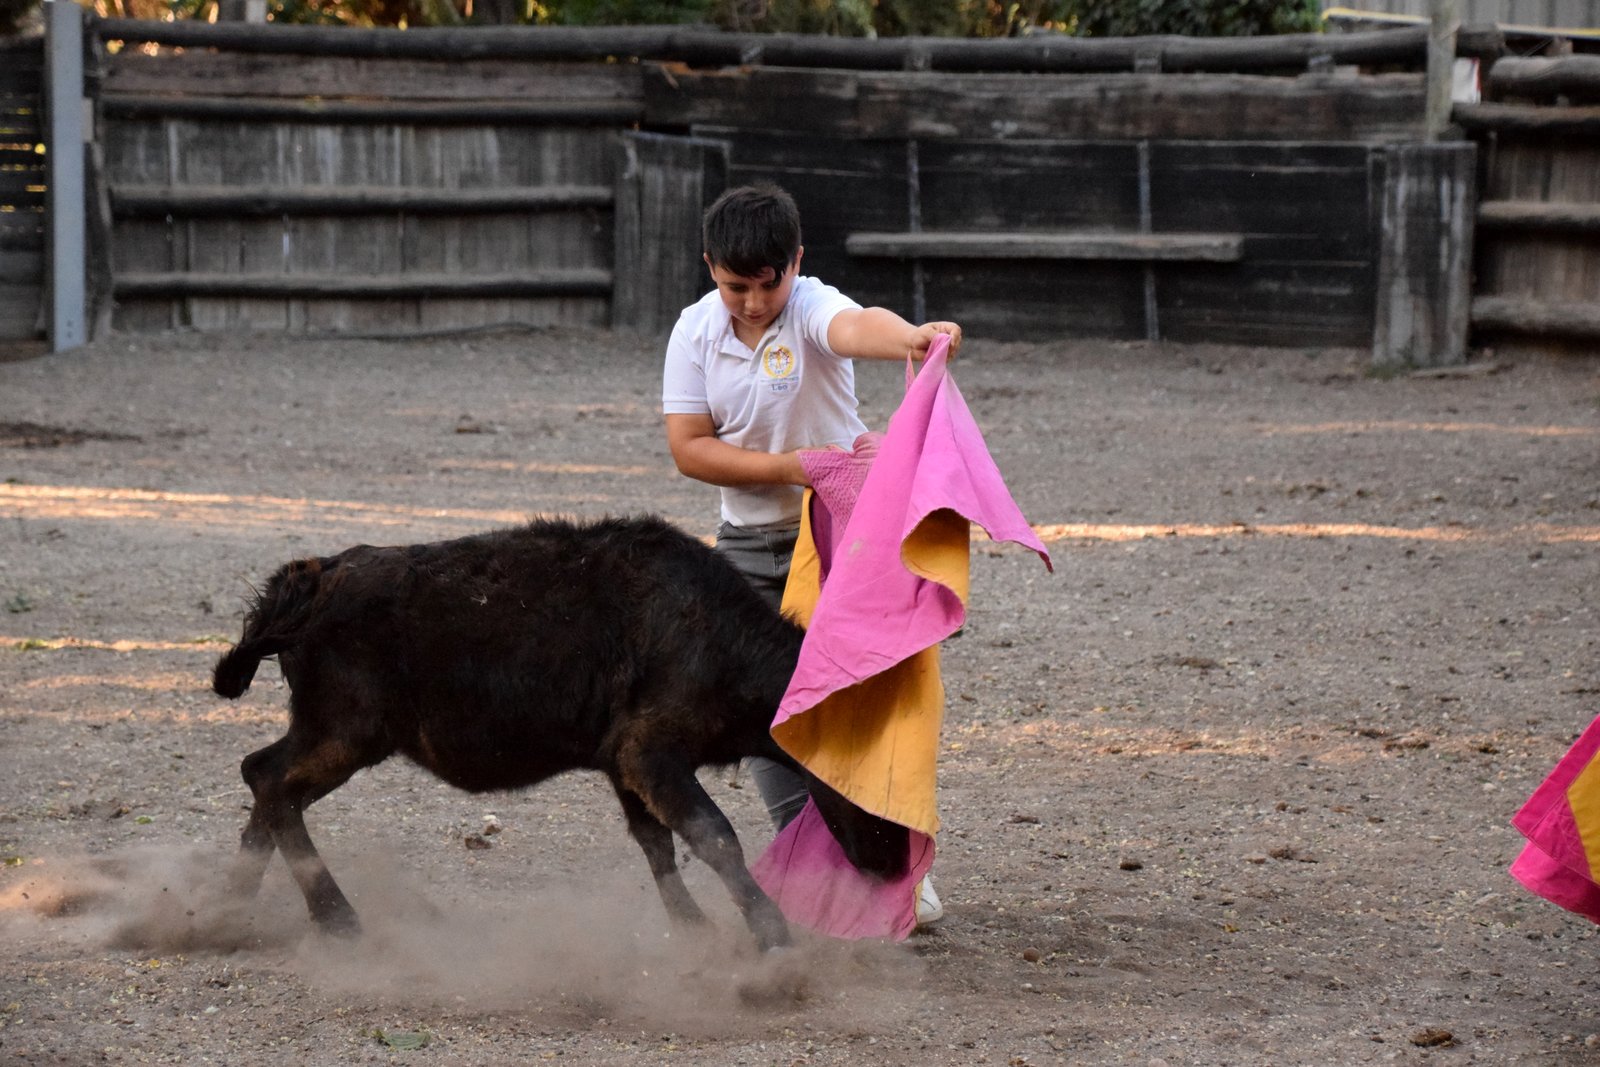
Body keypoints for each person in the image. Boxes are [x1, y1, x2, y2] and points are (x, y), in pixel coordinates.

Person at [660, 182, 960, 926]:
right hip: (744, 549)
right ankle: (827, 866)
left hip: (835, 541)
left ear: (797, 264)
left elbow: (858, 326)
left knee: (854, 701)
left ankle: (887, 868)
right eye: (736, 287)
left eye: (770, 284)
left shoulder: (813, 305)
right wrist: (797, 466)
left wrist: (912, 338)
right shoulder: (694, 332)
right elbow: (689, 450)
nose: (755, 303)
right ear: (710, 267)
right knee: (761, 714)